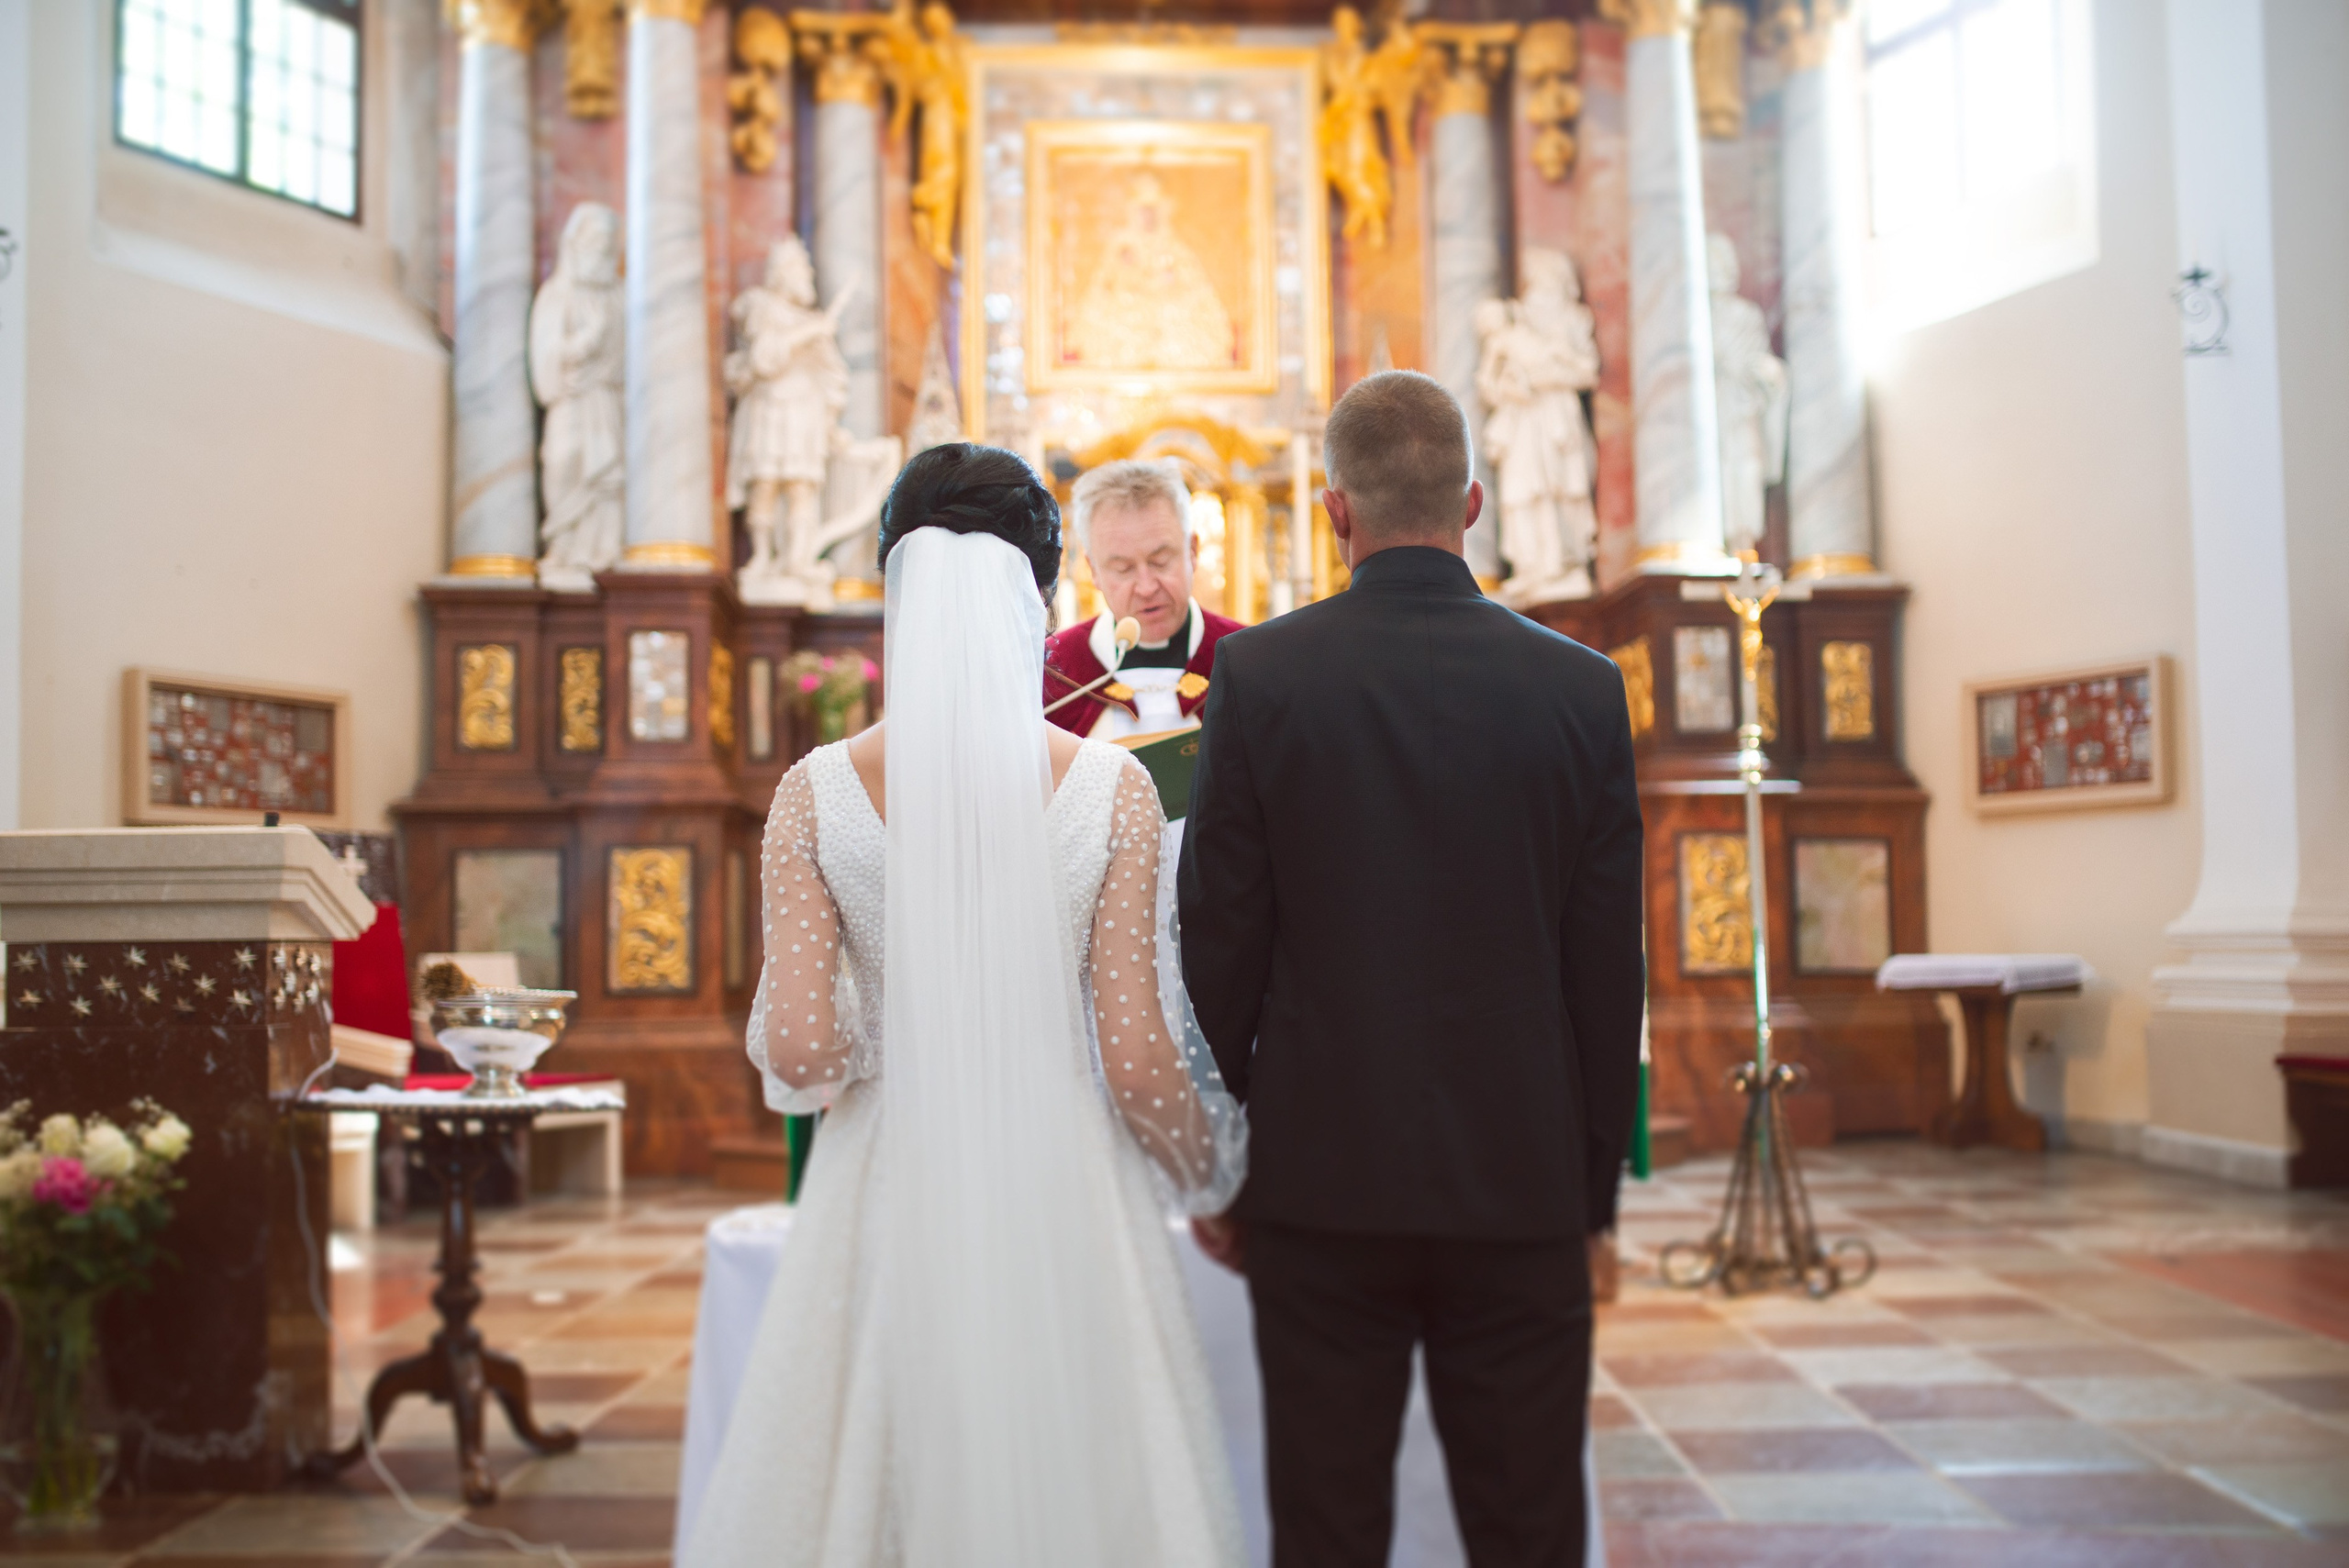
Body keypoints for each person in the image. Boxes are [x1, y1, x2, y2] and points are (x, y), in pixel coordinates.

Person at [686, 443, 1248, 1568]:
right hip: (1067, 1183)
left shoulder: (813, 792)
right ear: (1038, 597)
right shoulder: (1112, 786)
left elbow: (801, 1053)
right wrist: (1217, 1180)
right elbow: (1137, 1059)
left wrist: (876, 1024)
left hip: (886, 1183)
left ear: (898, 589)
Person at [1178, 371, 1645, 1568]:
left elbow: (1220, 941)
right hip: (1525, 1181)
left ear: (1335, 511)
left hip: (1320, 1183)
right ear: (1476, 502)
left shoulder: (1262, 678)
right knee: (1529, 1526)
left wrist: (1228, 1157)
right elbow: (1605, 971)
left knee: (1327, 1529)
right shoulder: (1583, 689)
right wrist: (1594, 1194)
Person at [1043, 458, 1244, 742]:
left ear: (1192, 551)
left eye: (1160, 561)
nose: (1147, 587)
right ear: (1094, 571)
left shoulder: (1247, 660)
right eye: (1123, 569)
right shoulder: (1053, 673)